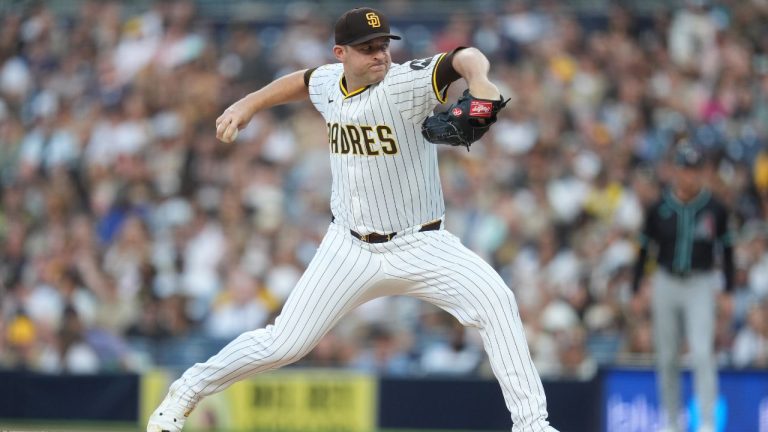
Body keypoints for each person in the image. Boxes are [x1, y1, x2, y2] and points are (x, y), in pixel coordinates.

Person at [148, 7, 558, 432]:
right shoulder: (330, 81)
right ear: (340, 53)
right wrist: (248, 103)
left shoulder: (405, 83)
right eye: (367, 49)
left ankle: (532, 425)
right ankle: (187, 390)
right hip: (350, 248)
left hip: (422, 243)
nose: (380, 55)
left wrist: (481, 81)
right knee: (284, 343)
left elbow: (464, 56)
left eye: (383, 45)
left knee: (496, 301)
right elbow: (304, 81)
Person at [631, 143, 734, 432]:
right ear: (676, 171)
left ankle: (707, 423)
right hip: (665, 281)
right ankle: (671, 422)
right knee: (667, 356)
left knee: (702, 353)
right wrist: (637, 287)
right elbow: (643, 250)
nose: (689, 176)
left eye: (695, 170)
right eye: (685, 169)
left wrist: (728, 290)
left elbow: (727, 250)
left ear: (703, 173)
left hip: (700, 282)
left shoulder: (715, 208)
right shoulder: (660, 207)